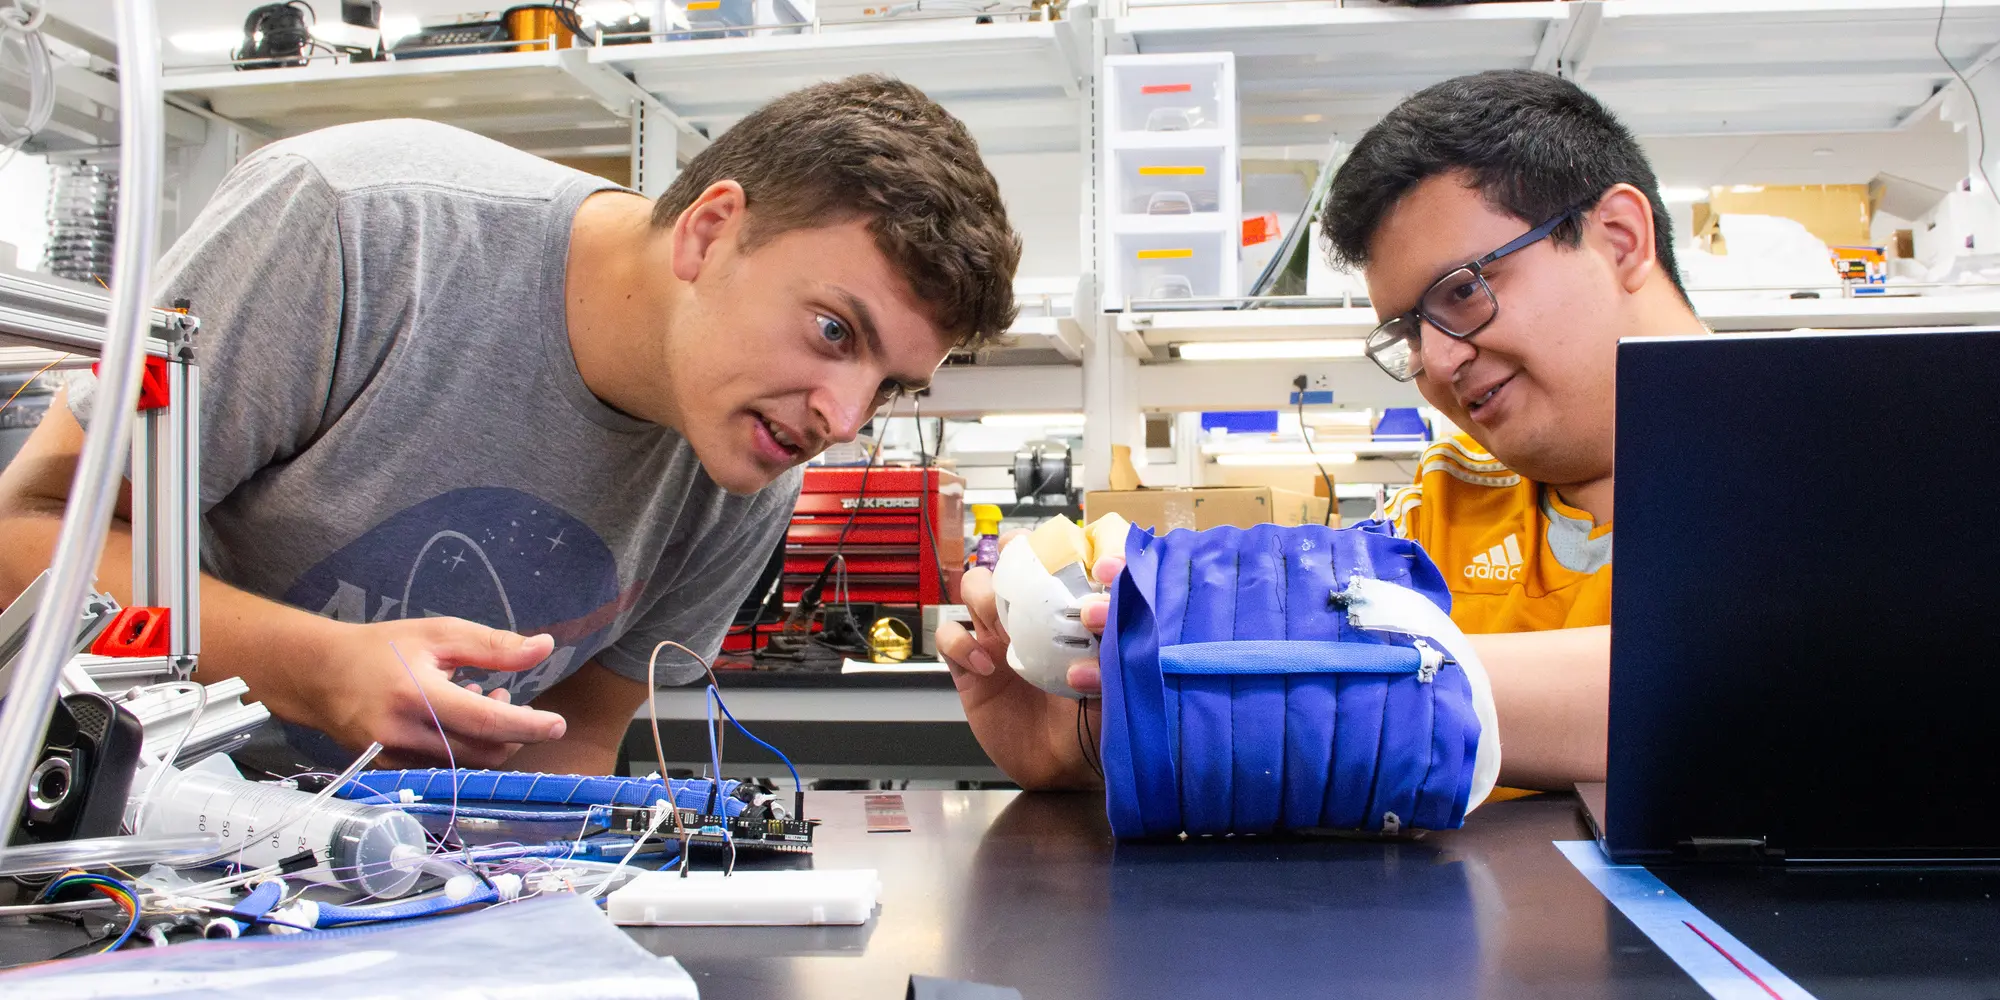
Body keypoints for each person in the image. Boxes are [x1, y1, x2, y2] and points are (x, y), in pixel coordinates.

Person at [0, 75, 1021, 773]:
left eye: (889, 386)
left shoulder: (748, 466)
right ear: (712, 231)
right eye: (835, 330)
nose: (841, 418)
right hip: (106, 844)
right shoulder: (356, 227)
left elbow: (563, 749)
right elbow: (27, 535)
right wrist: (316, 668)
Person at [938, 69, 1707, 794]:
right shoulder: (1445, 509)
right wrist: (1084, 735)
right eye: (1408, 330)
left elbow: (1730, 687)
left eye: (1465, 290)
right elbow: (1303, 695)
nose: (1436, 359)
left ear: (1619, 237)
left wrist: (1353, 679)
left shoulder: (1813, 463)